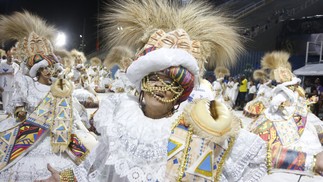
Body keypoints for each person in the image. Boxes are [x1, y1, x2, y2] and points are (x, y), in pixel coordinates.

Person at [39, 1, 267, 181]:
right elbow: (98, 167)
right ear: (141, 81)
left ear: (181, 93)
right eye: (154, 78)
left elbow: (255, 156)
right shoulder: (121, 118)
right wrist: (66, 179)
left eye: (171, 82)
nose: (160, 86)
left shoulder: (197, 126)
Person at [0, 11, 97, 181]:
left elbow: (71, 109)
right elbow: (17, 105)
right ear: (37, 71)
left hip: (58, 136)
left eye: (49, 67)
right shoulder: (28, 86)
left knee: (83, 162)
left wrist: (77, 126)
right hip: (32, 136)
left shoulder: (58, 87)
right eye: (44, 68)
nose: (48, 71)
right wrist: (21, 112)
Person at [248, 51, 323, 181]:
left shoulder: (289, 92)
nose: (294, 87)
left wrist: (303, 103)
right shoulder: (282, 93)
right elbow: (275, 105)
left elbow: (295, 102)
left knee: (305, 130)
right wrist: (282, 106)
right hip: (284, 117)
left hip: (295, 116)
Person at [0, 43, 19, 113]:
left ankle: (10, 111)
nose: (10, 59)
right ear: (7, 57)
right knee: (5, 99)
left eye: (12, 58)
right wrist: (8, 73)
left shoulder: (16, 66)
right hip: (4, 86)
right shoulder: (2, 64)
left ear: (13, 58)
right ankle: (5, 110)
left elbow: (17, 75)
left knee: (11, 99)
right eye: (9, 57)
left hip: (12, 86)